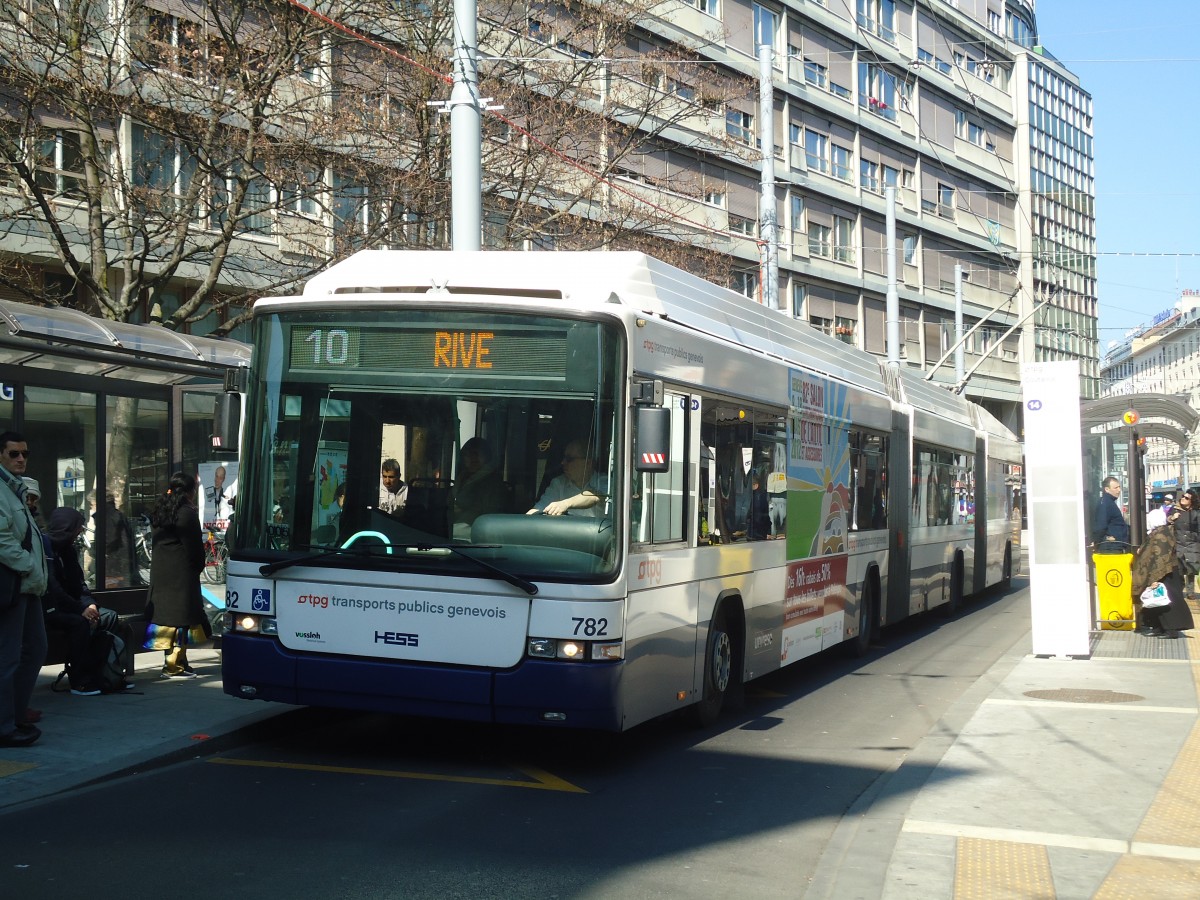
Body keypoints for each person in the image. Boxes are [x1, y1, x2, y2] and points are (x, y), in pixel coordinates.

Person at [42, 507, 131, 695]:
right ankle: (79, 679)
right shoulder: (46, 548)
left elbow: (79, 584)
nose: (81, 531)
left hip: (72, 605)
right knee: (79, 624)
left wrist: (90, 604)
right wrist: (80, 608)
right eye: (78, 528)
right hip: (50, 608)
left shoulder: (69, 551)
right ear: (67, 528)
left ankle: (107, 673)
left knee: (109, 617)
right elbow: (52, 588)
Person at [0, 431, 48, 748]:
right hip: (13, 585)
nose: (20, 458)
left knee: (35, 650)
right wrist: (28, 565)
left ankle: (15, 717)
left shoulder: (16, 489)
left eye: (25, 454)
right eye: (14, 453)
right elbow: (2, 540)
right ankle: (5, 726)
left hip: (28, 586)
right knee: (9, 658)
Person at [145, 472, 207, 678]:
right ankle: (174, 666)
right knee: (181, 620)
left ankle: (178, 662)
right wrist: (197, 567)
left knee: (169, 619)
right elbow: (194, 549)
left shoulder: (161, 509)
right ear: (190, 491)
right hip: (181, 575)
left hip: (162, 573)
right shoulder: (187, 513)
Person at [527, 439, 608, 517]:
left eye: (569, 459)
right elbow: (538, 509)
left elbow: (594, 496)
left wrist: (565, 504)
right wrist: (526, 520)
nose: (563, 462)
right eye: (564, 458)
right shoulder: (558, 483)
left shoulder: (605, 481)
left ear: (588, 463)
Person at [451, 438, 509, 537]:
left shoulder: (492, 482)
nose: (473, 458)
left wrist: (458, 511)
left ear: (487, 457)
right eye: (468, 454)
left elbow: (486, 513)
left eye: (477, 454)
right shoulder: (462, 477)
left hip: (477, 530)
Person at [1171, 489, 1200, 601]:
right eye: (1183, 496)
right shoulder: (1175, 510)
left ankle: (1190, 592)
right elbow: (1166, 524)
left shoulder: (1196, 513)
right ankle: (1179, 590)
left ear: (1191, 501)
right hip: (1178, 544)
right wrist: (1172, 518)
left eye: (1187, 498)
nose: (1183, 498)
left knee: (1190, 569)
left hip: (1191, 545)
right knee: (1178, 569)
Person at [1092, 476, 1129, 550]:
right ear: (1107, 489)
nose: (1119, 490)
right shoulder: (1105, 503)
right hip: (1111, 548)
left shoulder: (1109, 502)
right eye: (1115, 488)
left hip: (1115, 545)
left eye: (1119, 487)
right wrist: (1102, 540)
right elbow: (1100, 526)